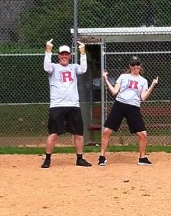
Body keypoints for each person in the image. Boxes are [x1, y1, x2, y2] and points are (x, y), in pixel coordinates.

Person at [98, 56, 158, 166]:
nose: (135, 67)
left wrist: (152, 85)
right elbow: (114, 91)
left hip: (133, 107)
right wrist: (106, 79)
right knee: (107, 131)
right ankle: (102, 156)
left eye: (137, 64)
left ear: (140, 66)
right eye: (133, 65)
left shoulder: (143, 81)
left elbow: (143, 97)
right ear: (129, 66)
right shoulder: (123, 76)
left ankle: (142, 158)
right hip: (120, 105)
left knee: (143, 134)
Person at [42, 40, 90, 168]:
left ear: (70, 56)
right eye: (62, 54)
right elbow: (46, 67)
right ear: (58, 56)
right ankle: (47, 159)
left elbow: (83, 69)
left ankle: (80, 158)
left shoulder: (74, 67)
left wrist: (83, 53)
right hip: (57, 105)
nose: (64, 57)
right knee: (53, 134)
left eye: (66, 54)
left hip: (73, 104)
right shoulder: (54, 67)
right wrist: (48, 51)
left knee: (78, 133)